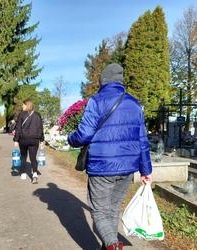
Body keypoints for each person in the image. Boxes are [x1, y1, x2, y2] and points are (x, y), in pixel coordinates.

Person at [67, 63, 152, 250]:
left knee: (99, 211)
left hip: (102, 166)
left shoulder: (96, 101)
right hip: (128, 168)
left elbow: (84, 134)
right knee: (112, 210)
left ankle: (113, 245)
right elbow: (142, 139)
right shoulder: (135, 103)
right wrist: (146, 170)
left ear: (103, 80)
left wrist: (70, 138)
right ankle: (109, 246)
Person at [13, 99, 44, 184]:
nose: (22, 106)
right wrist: (42, 140)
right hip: (35, 139)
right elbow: (40, 128)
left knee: (23, 156)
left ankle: (23, 173)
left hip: (23, 139)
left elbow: (18, 128)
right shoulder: (37, 115)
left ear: (27, 105)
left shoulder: (21, 115)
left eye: (23, 105)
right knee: (33, 158)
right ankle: (34, 174)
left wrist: (16, 140)